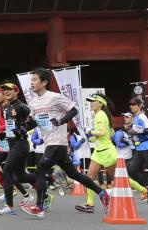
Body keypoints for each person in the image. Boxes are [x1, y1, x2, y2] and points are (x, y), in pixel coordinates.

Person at [21, 68, 108, 219]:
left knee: (41, 168)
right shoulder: (34, 102)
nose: (32, 83)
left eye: (35, 80)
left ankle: (40, 206)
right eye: (31, 80)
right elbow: (34, 122)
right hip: (49, 142)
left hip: (58, 141)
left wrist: (61, 120)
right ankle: (103, 193)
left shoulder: (54, 97)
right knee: (73, 173)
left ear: (44, 82)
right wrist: (24, 127)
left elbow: (73, 110)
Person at [76, 93, 148, 214]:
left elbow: (102, 131)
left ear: (100, 103)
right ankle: (89, 204)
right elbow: (110, 134)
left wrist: (90, 131)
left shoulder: (100, 115)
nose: (91, 103)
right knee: (89, 177)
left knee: (118, 178)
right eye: (90, 101)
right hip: (100, 151)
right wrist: (95, 139)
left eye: (93, 101)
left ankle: (144, 190)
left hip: (107, 153)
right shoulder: (103, 114)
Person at [0, 80, 38, 216]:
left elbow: (34, 120)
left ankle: (9, 205)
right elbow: (10, 127)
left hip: (21, 144)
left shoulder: (22, 106)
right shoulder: (7, 108)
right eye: (4, 90)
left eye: (9, 89)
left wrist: (24, 129)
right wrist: (3, 134)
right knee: (21, 176)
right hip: (11, 144)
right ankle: (46, 177)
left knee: (7, 171)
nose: (6, 92)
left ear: (16, 91)